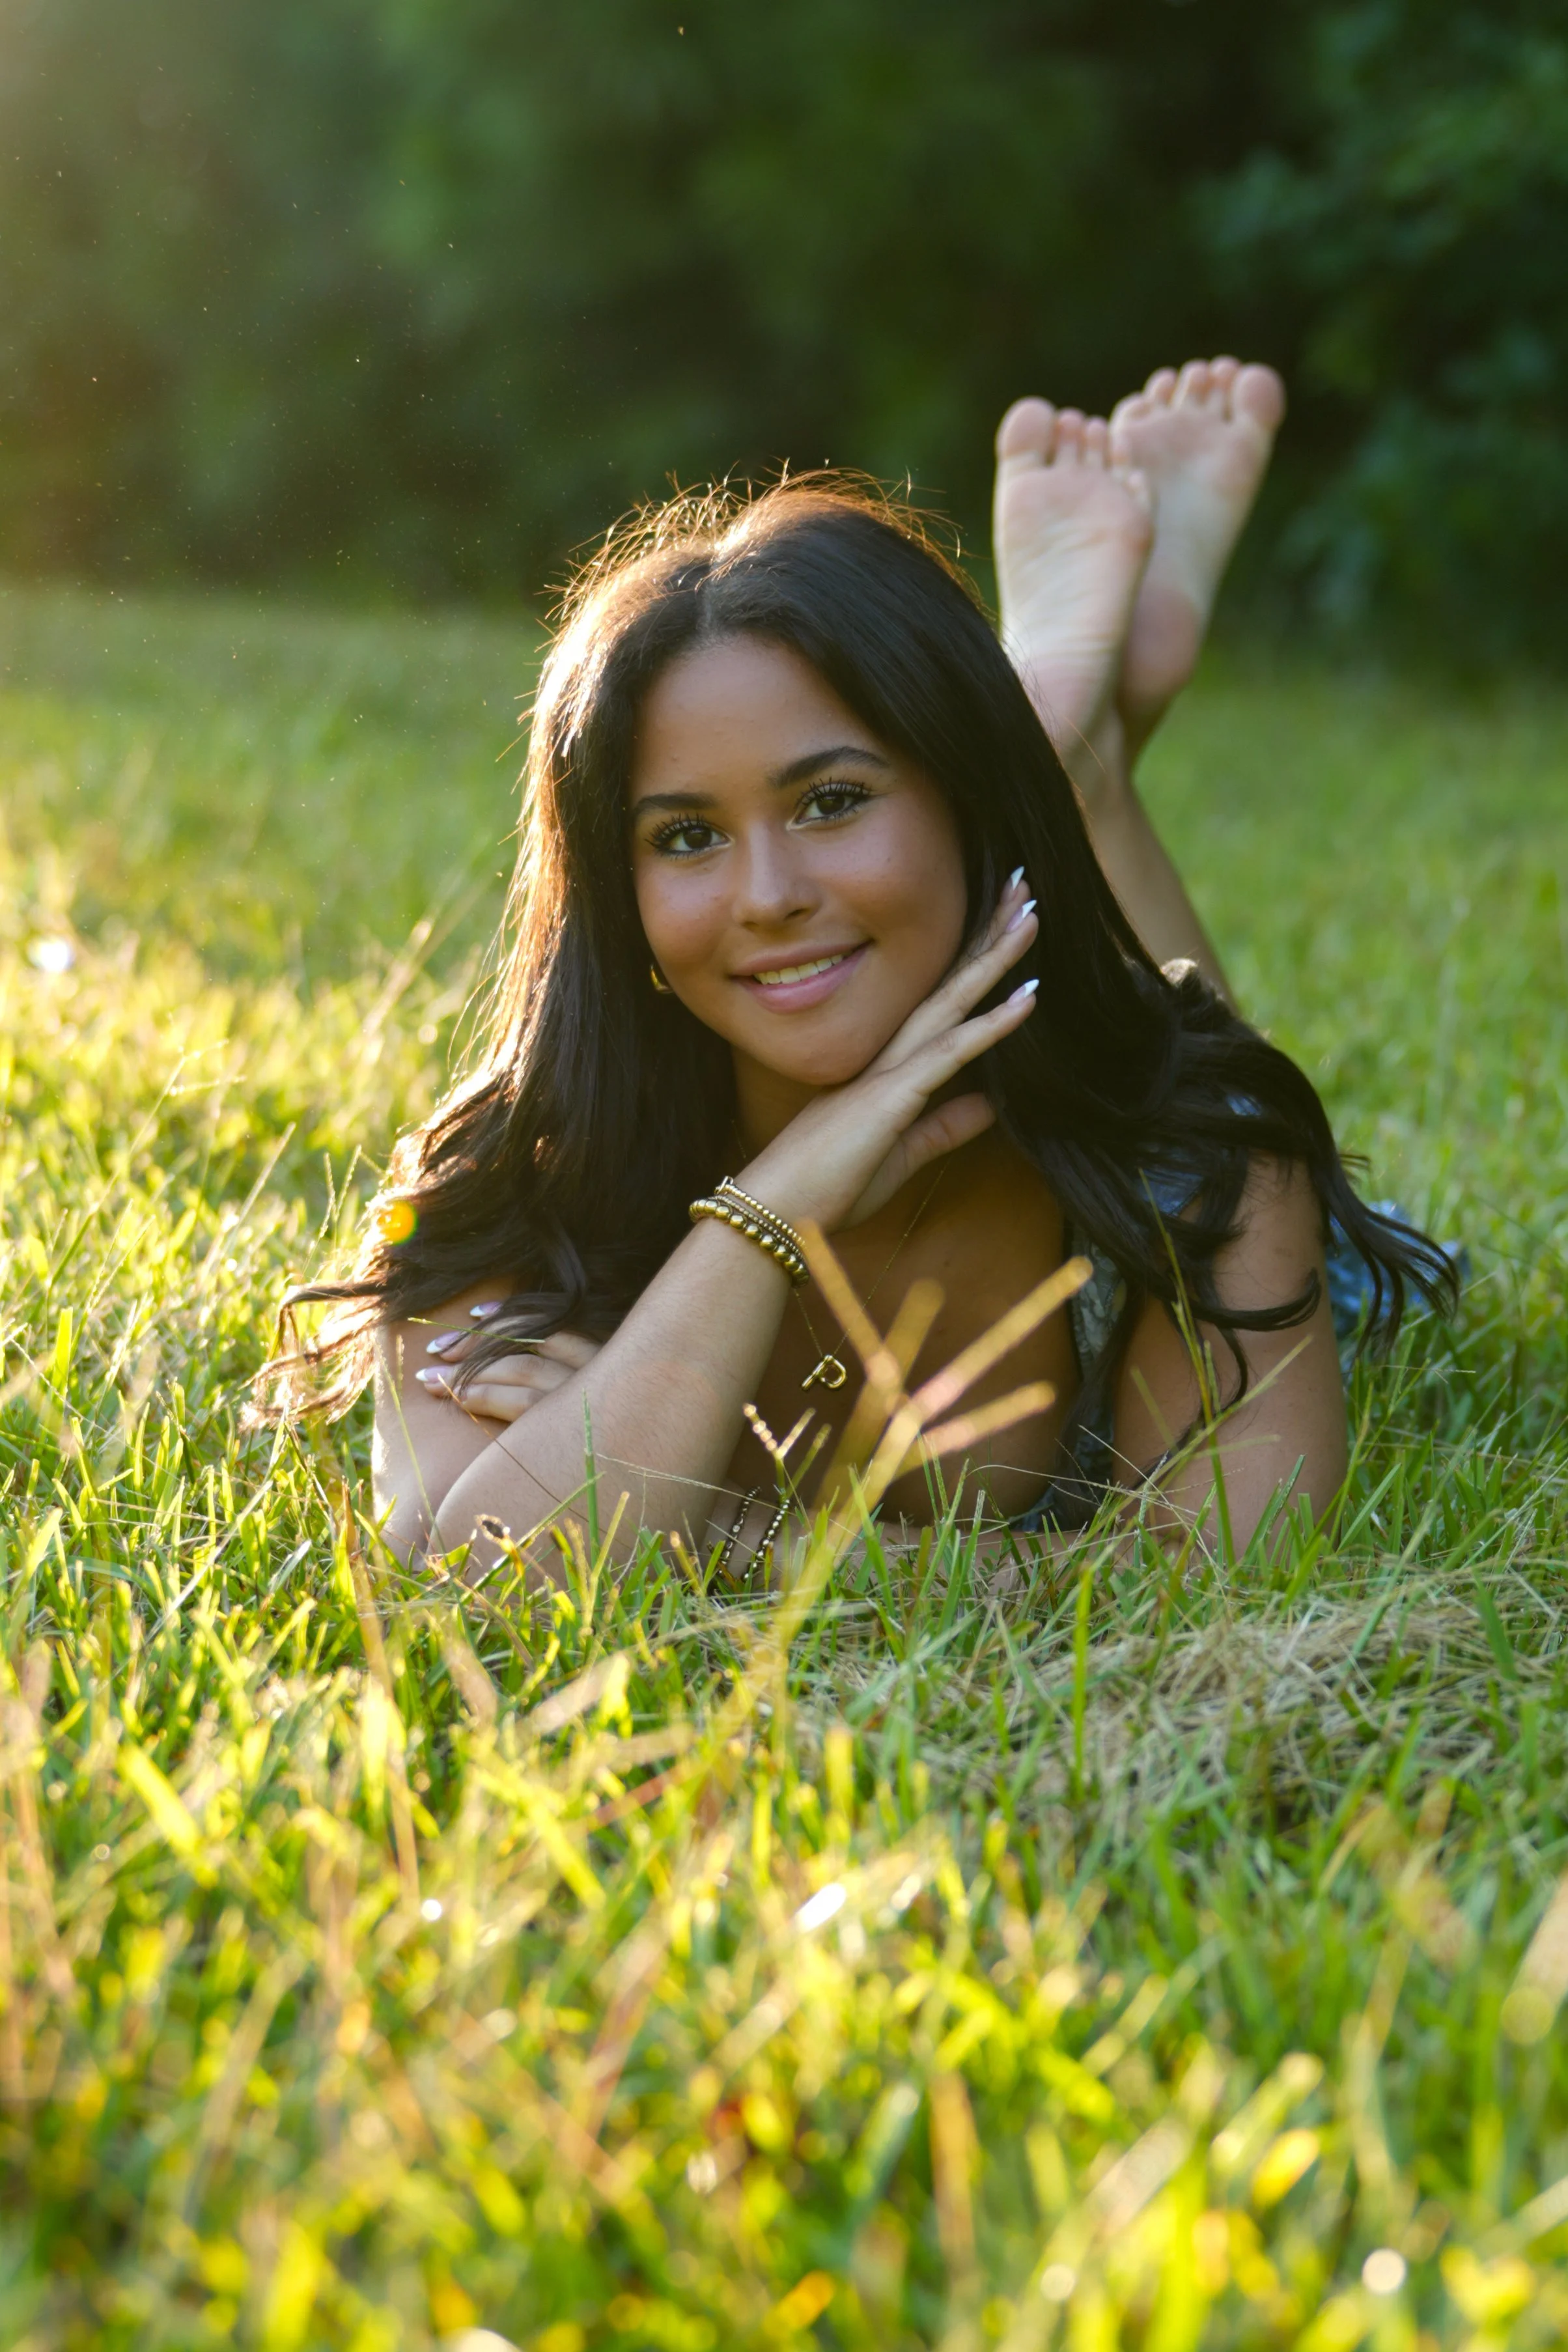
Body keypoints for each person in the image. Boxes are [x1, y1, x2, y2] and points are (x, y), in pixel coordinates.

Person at [268, 357, 1451, 1576]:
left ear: (964, 802)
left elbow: (1224, 1569)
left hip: (1207, 1171)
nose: (769, 896)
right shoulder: (508, 1183)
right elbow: (470, 1572)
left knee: (1198, 1073)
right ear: (617, 900)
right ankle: (1066, 744)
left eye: (833, 801)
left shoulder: (1199, 1161)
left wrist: (712, 1525)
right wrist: (771, 1211)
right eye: (685, 836)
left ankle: (1072, 761)